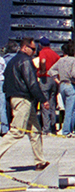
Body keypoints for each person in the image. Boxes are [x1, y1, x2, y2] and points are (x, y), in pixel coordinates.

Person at [0, 39, 49, 170]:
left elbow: (5, 84)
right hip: (23, 99)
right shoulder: (25, 61)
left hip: (16, 98)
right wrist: (43, 99)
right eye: (32, 49)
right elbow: (32, 82)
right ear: (24, 48)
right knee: (17, 131)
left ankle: (40, 161)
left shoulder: (12, 62)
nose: (34, 52)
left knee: (35, 130)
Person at [50, 42, 75, 136]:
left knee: (65, 108)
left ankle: (67, 129)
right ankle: (67, 130)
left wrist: (57, 80)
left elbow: (51, 70)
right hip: (70, 85)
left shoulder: (60, 60)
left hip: (62, 85)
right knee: (70, 110)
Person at [35, 36, 60, 135]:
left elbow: (43, 61)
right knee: (52, 103)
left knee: (44, 103)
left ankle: (46, 128)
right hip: (54, 79)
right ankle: (53, 126)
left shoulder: (43, 52)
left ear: (40, 45)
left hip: (45, 78)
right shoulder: (55, 54)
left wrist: (42, 70)